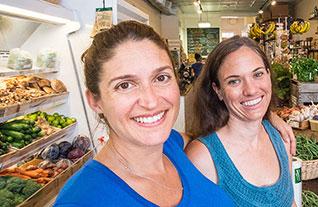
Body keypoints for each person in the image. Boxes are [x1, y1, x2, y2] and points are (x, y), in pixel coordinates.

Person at [54, 21, 235, 206]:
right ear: (95, 101)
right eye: (125, 85)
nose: (151, 101)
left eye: (161, 78)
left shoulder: (171, 144)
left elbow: (199, 138)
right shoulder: (80, 200)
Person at [185, 36, 295, 207]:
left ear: (268, 74)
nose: (250, 90)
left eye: (257, 74)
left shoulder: (282, 138)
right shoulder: (202, 158)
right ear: (218, 90)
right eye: (234, 81)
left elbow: (291, 203)